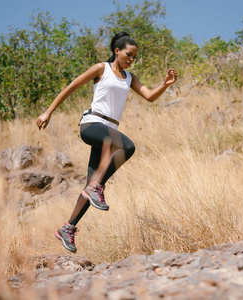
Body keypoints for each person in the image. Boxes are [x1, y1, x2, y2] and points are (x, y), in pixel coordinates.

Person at [36, 32, 177, 253]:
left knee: (89, 185)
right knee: (127, 147)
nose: (131, 59)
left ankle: (68, 227)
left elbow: (149, 96)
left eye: (134, 57)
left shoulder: (130, 77)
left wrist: (165, 84)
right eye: (128, 55)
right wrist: (48, 113)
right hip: (92, 124)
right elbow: (72, 87)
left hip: (109, 131)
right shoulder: (101, 69)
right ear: (117, 51)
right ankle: (97, 187)